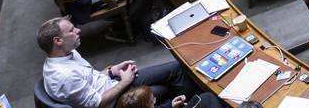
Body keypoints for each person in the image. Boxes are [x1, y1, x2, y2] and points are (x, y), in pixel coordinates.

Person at [38, 17, 202, 108]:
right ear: (58, 41)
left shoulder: (67, 52)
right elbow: (96, 104)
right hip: (113, 102)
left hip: (113, 83)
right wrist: (125, 82)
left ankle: (197, 100)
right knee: (165, 88)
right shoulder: (64, 77)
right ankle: (199, 103)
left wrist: (112, 71)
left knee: (175, 69)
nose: (78, 30)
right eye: (72, 30)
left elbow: (90, 78)